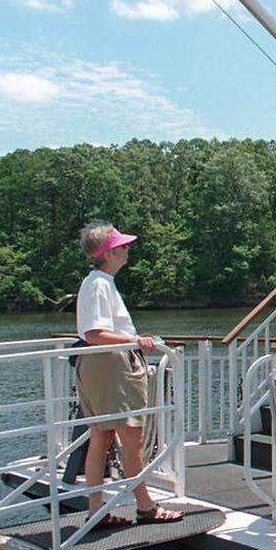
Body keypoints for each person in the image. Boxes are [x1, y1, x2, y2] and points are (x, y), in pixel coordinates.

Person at [75, 221, 181, 526]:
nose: (127, 249)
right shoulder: (98, 283)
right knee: (131, 437)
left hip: (103, 365)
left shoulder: (99, 282)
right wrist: (136, 340)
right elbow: (94, 333)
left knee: (102, 435)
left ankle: (96, 512)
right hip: (110, 365)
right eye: (122, 246)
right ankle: (146, 507)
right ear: (108, 253)